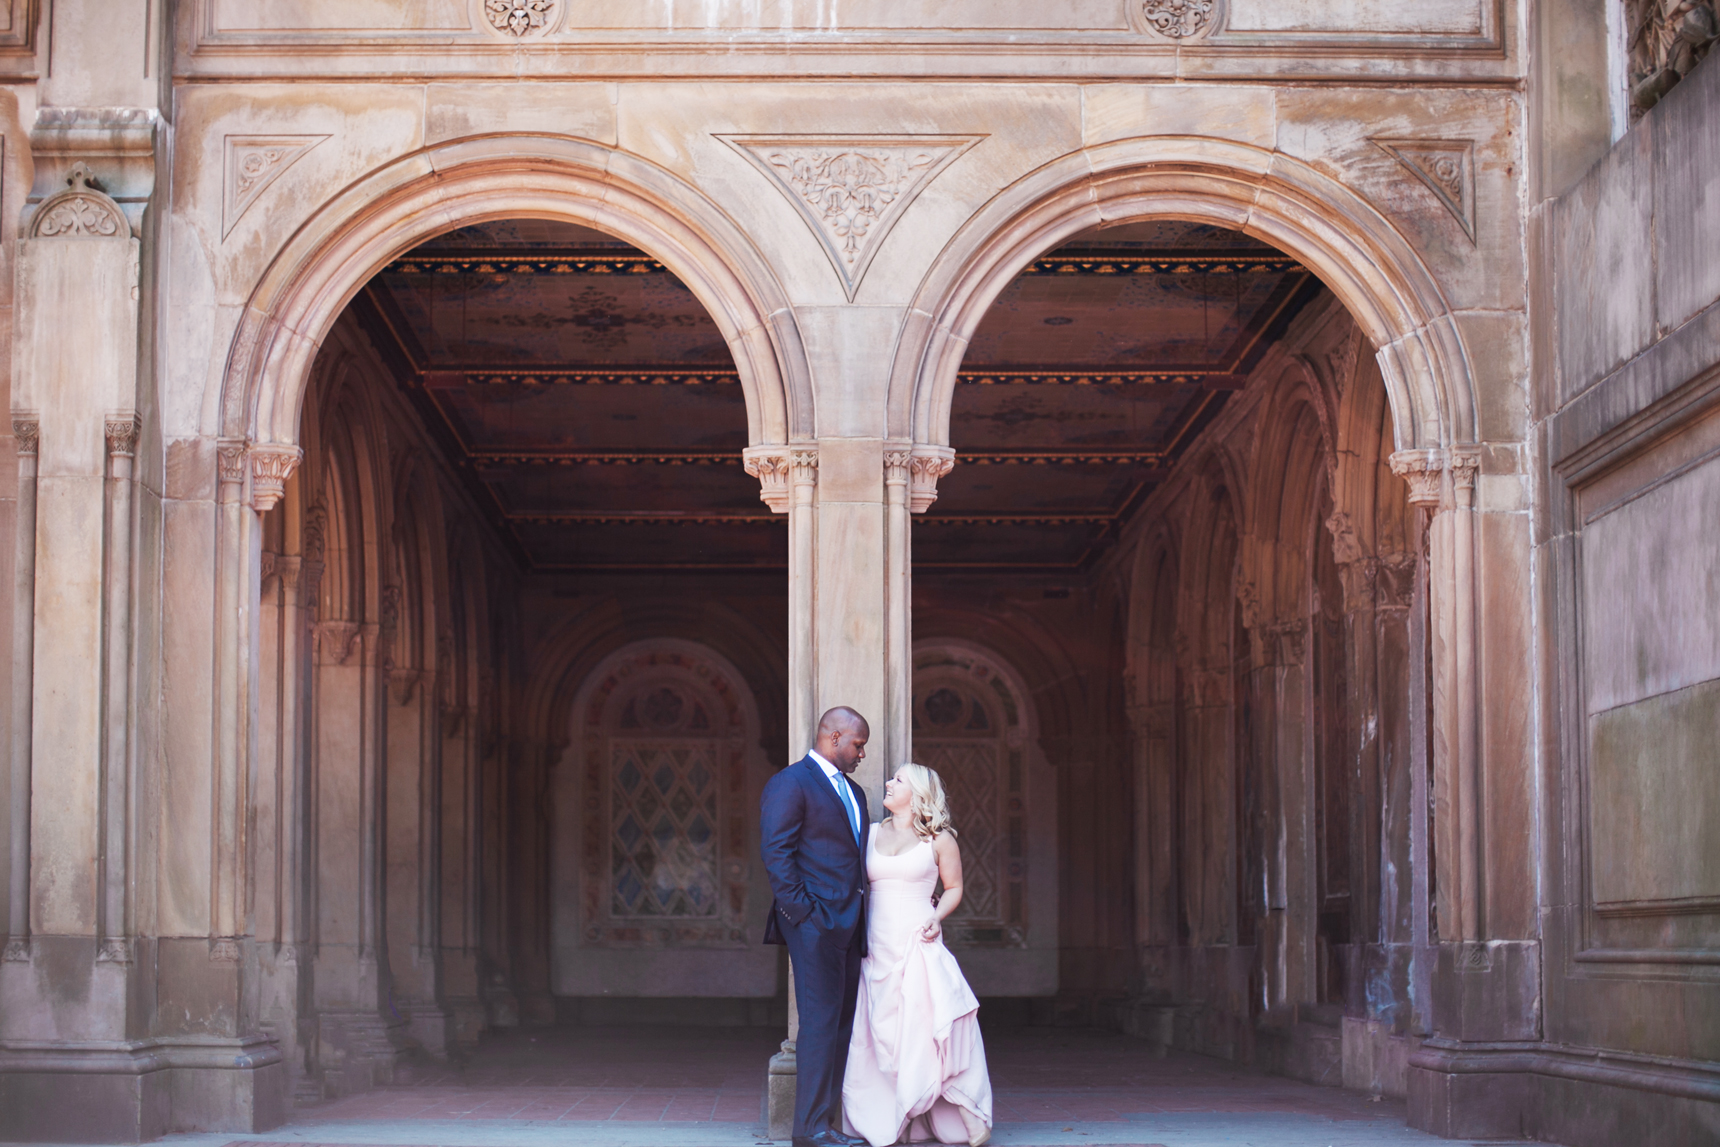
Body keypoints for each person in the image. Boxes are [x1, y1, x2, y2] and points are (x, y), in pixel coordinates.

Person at [842, 763, 993, 1147]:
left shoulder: (939, 839)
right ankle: (894, 1117)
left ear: (919, 794)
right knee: (883, 1033)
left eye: (897, 781)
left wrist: (937, 916)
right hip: (875, 945)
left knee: (927, 1028)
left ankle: (966, 1113)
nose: (888, 785)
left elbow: (954, 887)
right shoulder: (869, 833)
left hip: (917, 940)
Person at [760, 706, 874, 1147]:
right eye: (857, 745)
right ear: (834, 737)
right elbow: (776, 853)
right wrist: (805, 916)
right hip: (814, 926)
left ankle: (824, 1124)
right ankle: (808, 1130)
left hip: (851, 926)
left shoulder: (856, 793)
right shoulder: (791, 783)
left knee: (841, 1025)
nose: (861, 753)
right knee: (820, 1024)